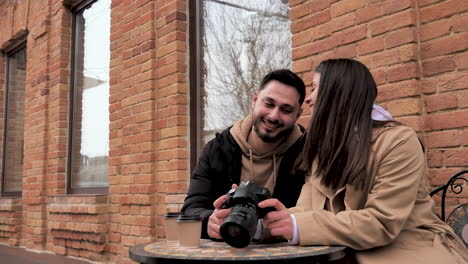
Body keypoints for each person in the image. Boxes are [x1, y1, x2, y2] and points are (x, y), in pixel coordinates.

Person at [257, 59, 468, 263]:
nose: (309, 99)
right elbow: (307, 212)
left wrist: (297, 225)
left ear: (337, 92)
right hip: (345, 250)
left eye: (314, 88)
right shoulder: (324, 150)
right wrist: (259, 225)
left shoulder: (398, 141)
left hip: (410, 248)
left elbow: (381, 222)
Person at [181, 69, 308, 239]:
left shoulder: (309, 152)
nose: (273, 116)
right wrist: (209, 221)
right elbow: (190, 210)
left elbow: (320, 212)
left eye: (286, 110)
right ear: (255, 100)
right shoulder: (218, 149)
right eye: (269, 104)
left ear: (298, 115)